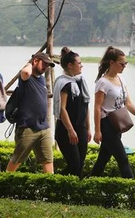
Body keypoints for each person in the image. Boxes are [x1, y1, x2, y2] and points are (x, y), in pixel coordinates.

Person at [91, 46, 135, 178]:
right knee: (123, 159)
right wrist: (97, 131)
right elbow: (97, 107)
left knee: (102, 160)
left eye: (125, 64)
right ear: (111, 63)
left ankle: (88, 185)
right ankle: (132, 189)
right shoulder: (103, 83)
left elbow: (127, 103)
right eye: (121, 64)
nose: (124, 66)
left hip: (117, 125)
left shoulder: (121, 80)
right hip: (106, 125)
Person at [6, 52, 55, 173]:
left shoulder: (42, 79)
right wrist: (30, 62)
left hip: (43, 127)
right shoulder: (25, 79)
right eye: (44, 64)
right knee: (17, 159)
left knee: (48, 159)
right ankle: (2, 182)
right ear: (35, 61)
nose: (46, 67)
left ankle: (51, 186)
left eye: (48, 65)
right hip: (27, 127)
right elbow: (25, 72)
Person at [53, 47, 91, 178]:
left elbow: (85, 105)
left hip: (80, 127)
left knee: (79, 165)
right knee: (74, 164)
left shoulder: (80, 82)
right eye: (79, 63)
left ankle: (74, 193)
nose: (81, 66)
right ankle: (54, 183)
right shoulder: (64, 83)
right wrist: (70, 130)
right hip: (65, 129)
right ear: (70, 65)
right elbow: (62, 109)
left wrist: (88, 128)